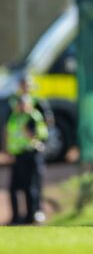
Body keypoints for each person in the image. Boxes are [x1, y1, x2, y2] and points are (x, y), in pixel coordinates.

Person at [6, 95, 48, 225]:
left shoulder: (32, 117)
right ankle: (16, 217)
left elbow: (36, 135)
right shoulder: (15, 117)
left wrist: (28, 132)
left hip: (30, 154)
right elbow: (9, 133)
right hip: (18, 155)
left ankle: (31, 216)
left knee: (31, 187)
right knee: (15, 189)